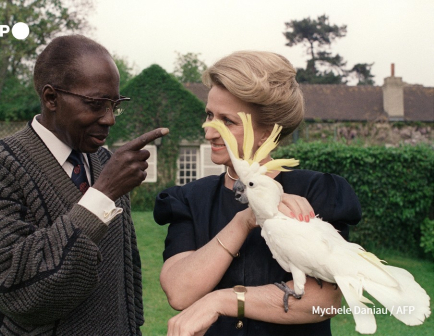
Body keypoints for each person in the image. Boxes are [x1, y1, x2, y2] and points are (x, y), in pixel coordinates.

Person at [0, 34, 168, 336]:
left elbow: (124, 280)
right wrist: (101, 196)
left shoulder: (103, 163)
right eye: (96, 104)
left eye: (115, 104)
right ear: (51, 98)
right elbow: (12, 286)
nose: (109, 119)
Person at [153, 51, 362, 335]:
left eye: (227, 121)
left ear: (267, 132)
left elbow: (322, 299)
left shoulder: (315, 192)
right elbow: (179, 291)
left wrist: (220, 300)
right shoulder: (190, 199)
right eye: (209, 115)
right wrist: (246, 219)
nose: (209, 132)